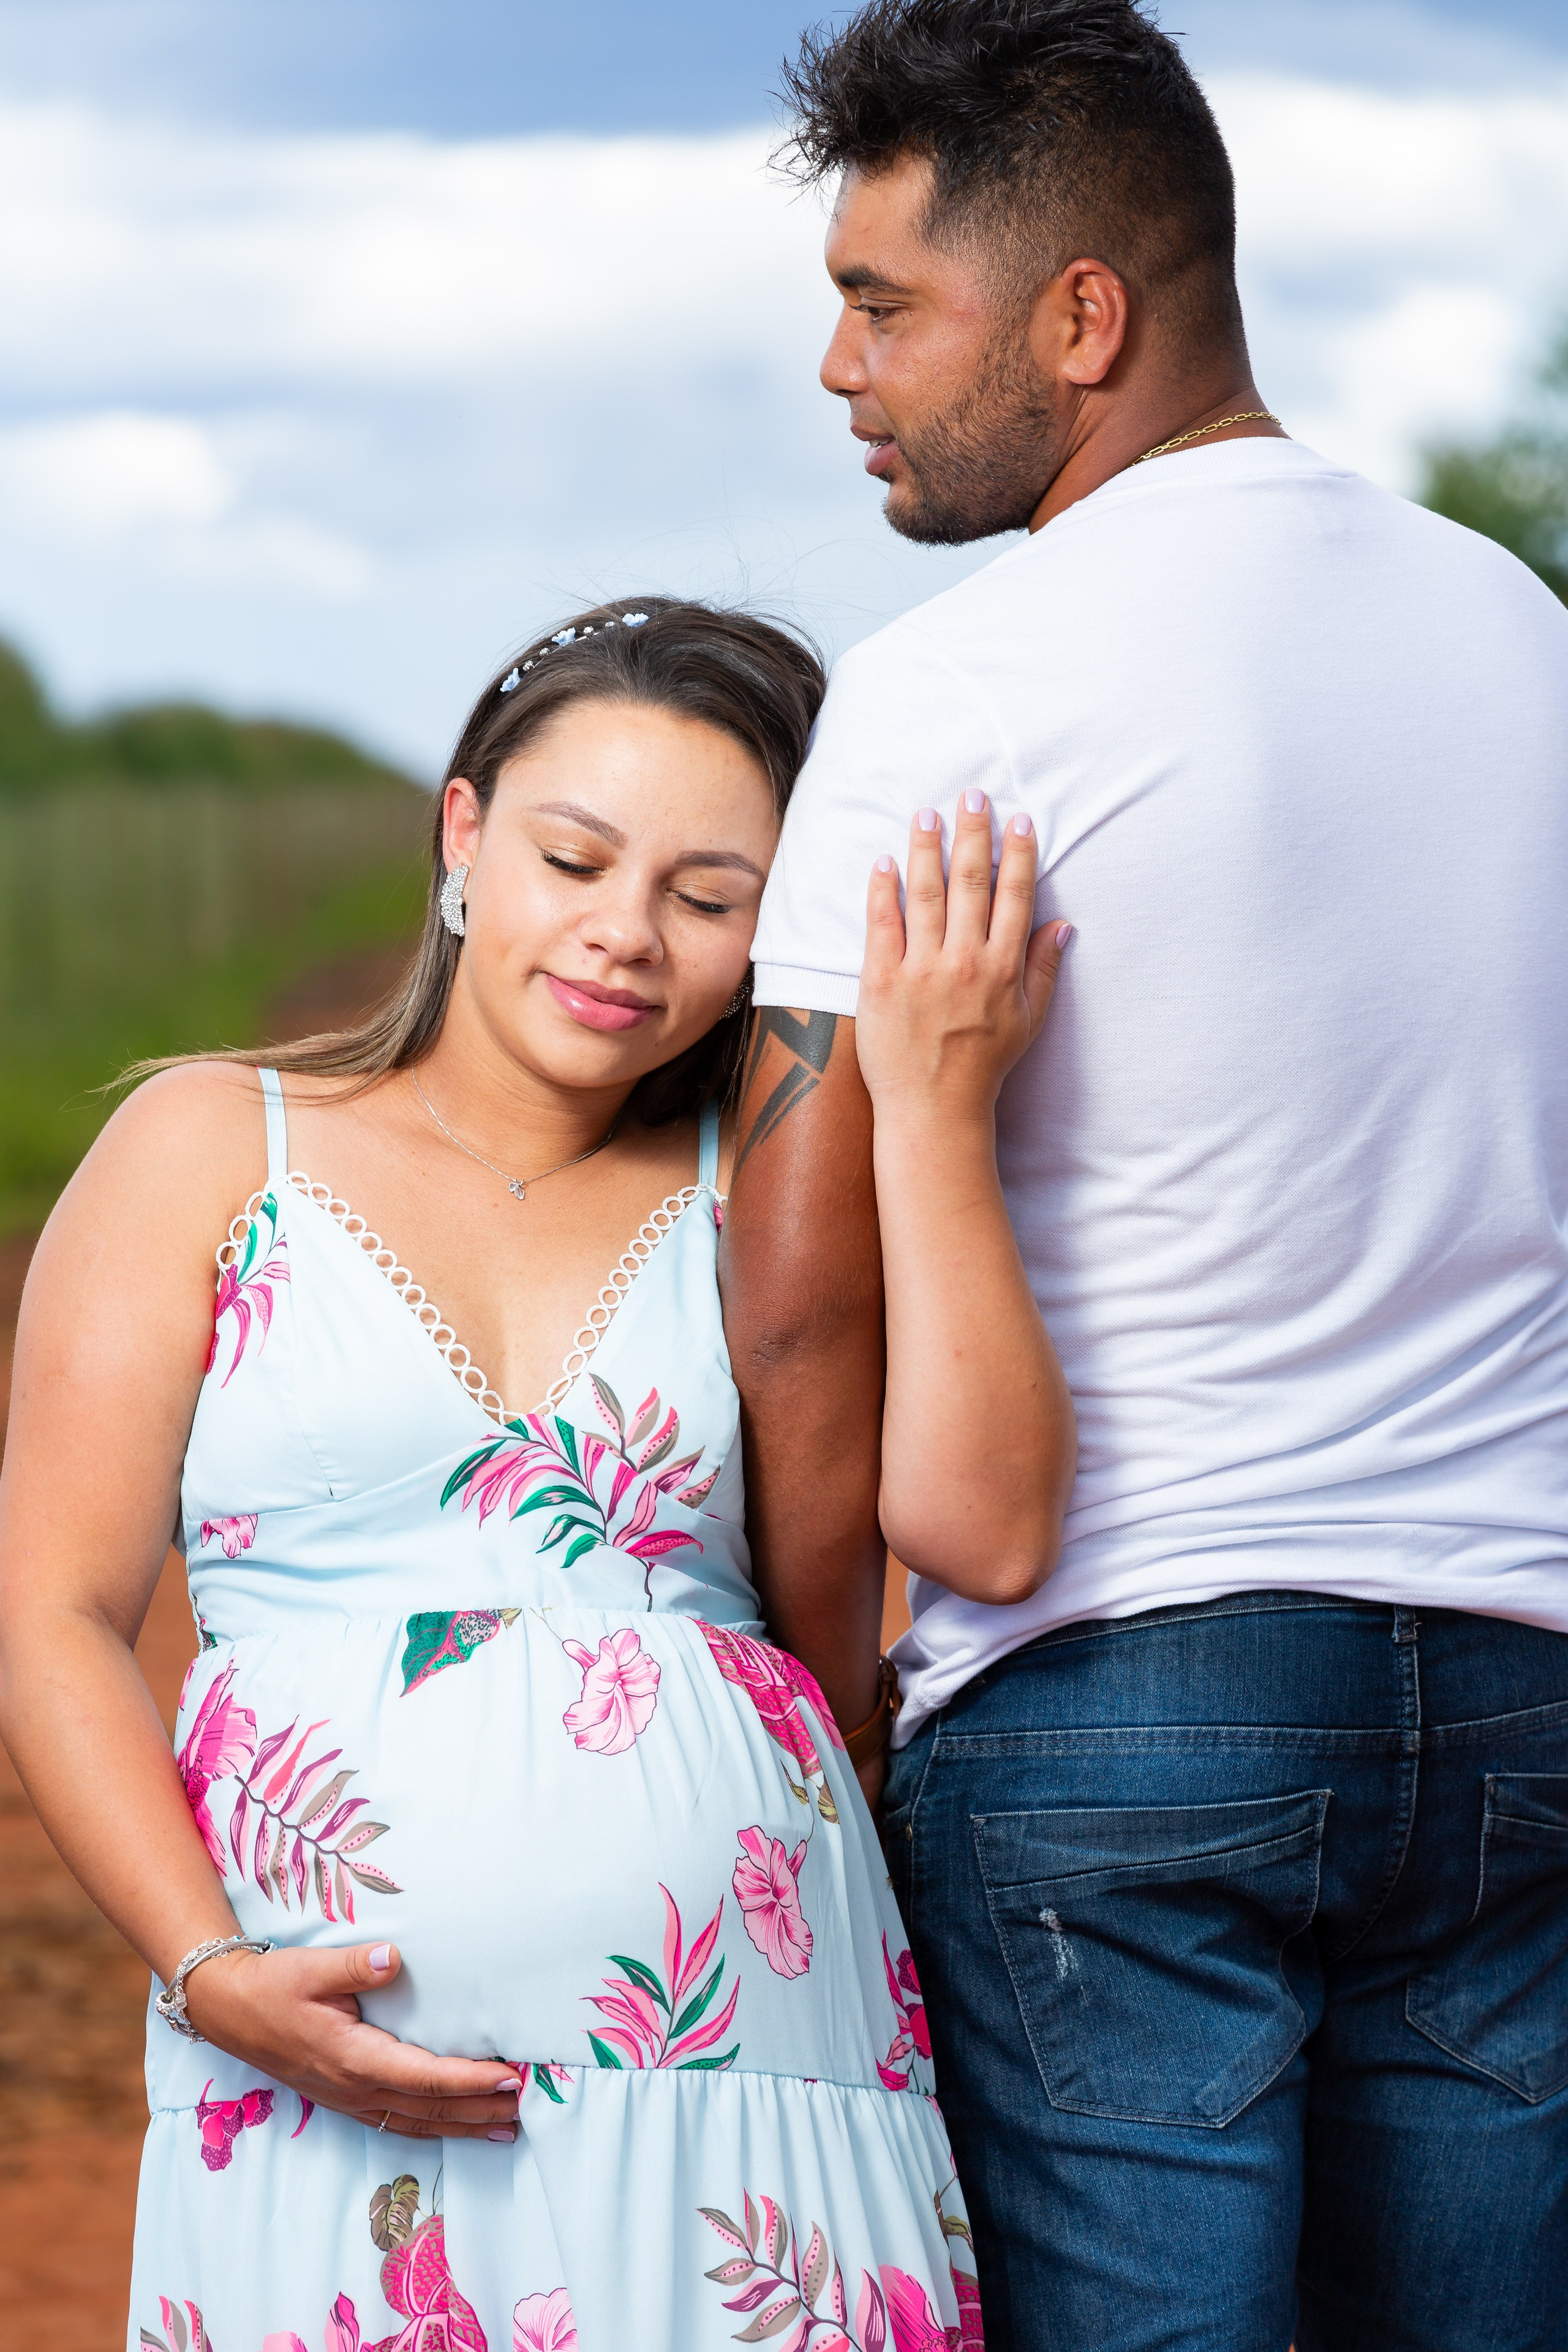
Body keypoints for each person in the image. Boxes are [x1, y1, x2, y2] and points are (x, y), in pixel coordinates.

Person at [724, 6, 1568, 2350]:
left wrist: (831, 1724)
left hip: (1125, 1707)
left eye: (888, 302)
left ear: (1084, 318)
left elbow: (799, 1294)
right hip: (1523, 1699)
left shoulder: (963, 686)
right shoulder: (1530, 641)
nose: (836, 364)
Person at [0, 598, 1069, 2347]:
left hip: (757, 2098)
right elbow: (51, 1611)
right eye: (575, 858)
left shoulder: (777, 1204)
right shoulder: (208, 1145)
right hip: (329, 2091)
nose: (624, 936)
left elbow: (986, 1525)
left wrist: (933, 1115)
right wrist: (214, 1974)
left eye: (709, 898)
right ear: (463, 838)